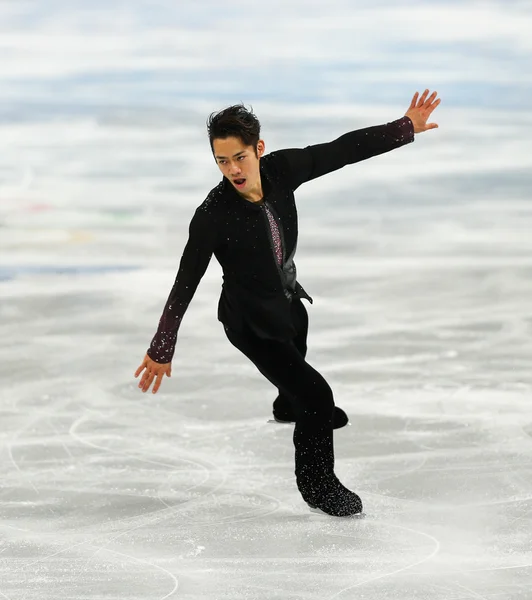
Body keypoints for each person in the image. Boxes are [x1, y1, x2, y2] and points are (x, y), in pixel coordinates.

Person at [135, 89, 441, 517]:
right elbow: (186, 281)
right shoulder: (212, 216)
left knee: (297, 338)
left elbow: (341, 151)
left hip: (285, 301)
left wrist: (404, 126)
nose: (233, 170)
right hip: (248, 323)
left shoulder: (281, 171)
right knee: (316, 395)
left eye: (239, 157)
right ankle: (318, 484)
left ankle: (286, 404)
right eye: (222, 161)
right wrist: (161, 345)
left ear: (259, 149)